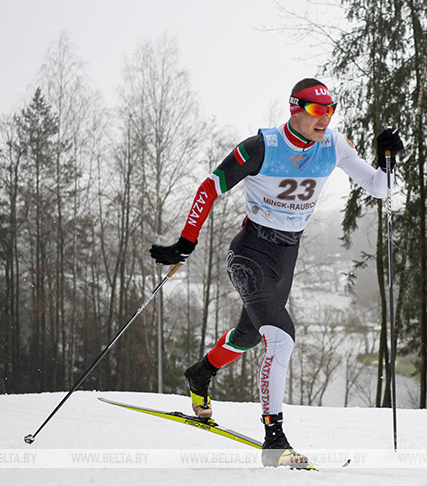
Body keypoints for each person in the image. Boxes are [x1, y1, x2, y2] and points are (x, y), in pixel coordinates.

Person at [149, 78, 403, 468]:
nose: (326, 119)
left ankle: (199, 374)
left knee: (249, 335)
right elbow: (209, 187)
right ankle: (274, 438)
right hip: (250, 253)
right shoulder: (261, 147)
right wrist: (185, 242)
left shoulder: (332, 145)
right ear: (295, 109)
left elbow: (380, 188)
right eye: (318, 111)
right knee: (281, 338)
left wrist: (388, 159)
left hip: (286, 257)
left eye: (331, 110)